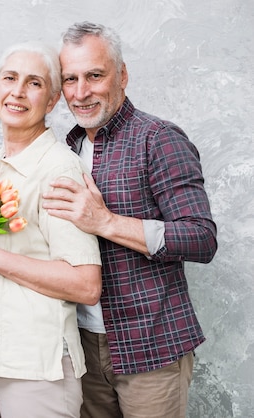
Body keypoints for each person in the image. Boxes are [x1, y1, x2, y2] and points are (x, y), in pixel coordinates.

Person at [41, 22, 218, 418]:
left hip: (151, 350)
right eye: (70, 79)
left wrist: (105, 222)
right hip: (82, 348)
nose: (81, 92)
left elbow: (201, 238)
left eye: (95, 75)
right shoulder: (65, 149)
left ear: (122, 74)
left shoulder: (159, 139)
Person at [0, 41, 102, 418]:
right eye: (10, 78)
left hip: (31, 363)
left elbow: (85, 283)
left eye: (34, 83)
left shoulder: (59, 171)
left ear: (54, 99)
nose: (18, 91)